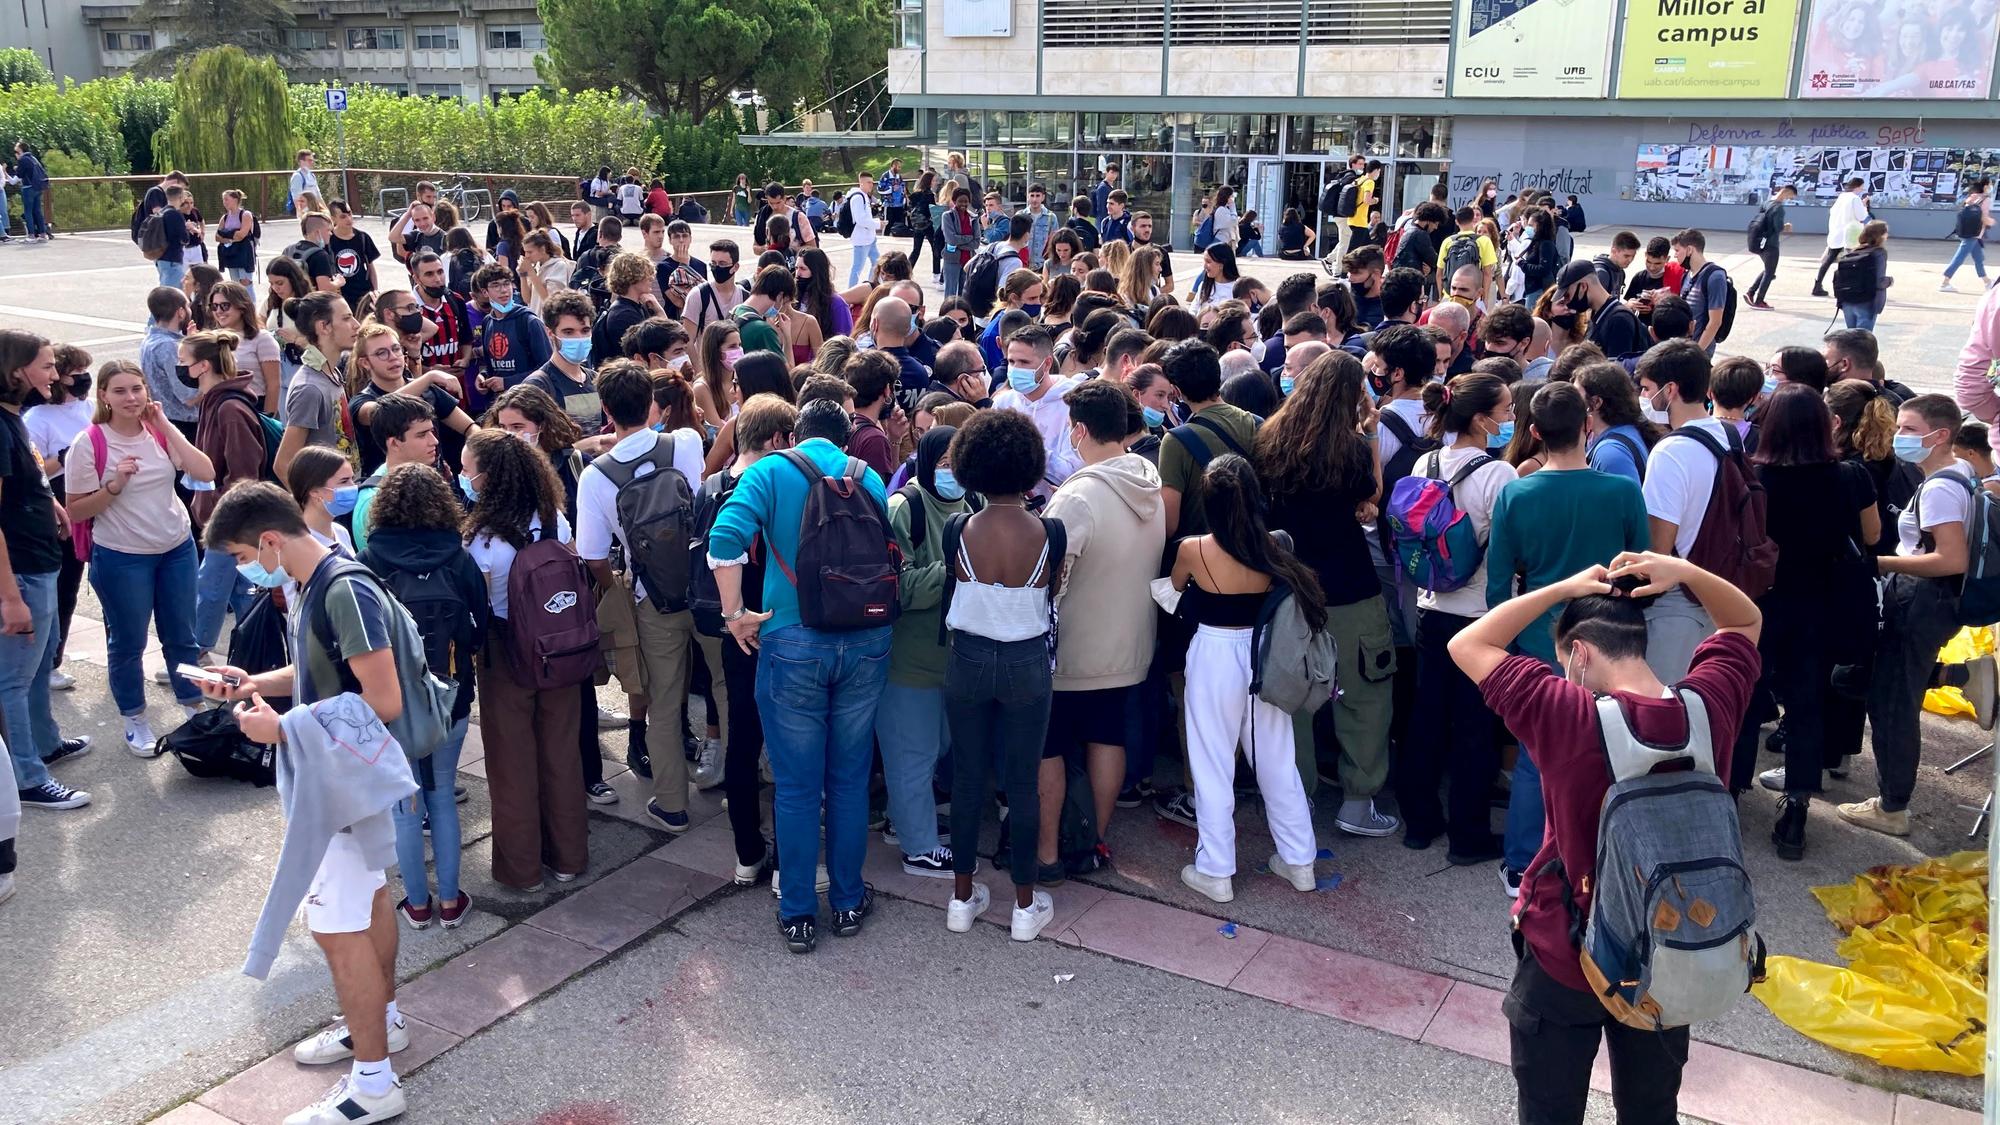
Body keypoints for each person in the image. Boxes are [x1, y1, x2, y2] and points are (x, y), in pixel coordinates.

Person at [1447, 551, 1760, 1125]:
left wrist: (1557, 587)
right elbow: (1744, 623)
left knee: (1549, 1110)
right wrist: (1684, 572)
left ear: (1581, 654)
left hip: (1568, 952)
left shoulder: (1568, 714)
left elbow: (1468, 645)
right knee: (1650, 1109)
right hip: (1669, 947)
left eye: (1567, 660)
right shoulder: (1709, 706)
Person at [197, 481, 416, 1125]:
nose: (244, 569)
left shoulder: (338, 588)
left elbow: (385, 700)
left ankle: (373, 1084)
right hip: (345, 775)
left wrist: (282, 728)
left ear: (268, 540)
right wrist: (253, 682)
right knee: (370, 901)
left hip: (340, 779)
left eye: (241, 555)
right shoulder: (318, 580)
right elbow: (327, 669)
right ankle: (383, 1025)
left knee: (334, 926)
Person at [708, 398, 893, 954]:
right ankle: (848, 900)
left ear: (793, 432)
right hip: (866, 640)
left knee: (795, 786)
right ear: (846, 437)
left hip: (791, 641)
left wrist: (735, 615)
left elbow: (724, 542)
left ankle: (797, 914)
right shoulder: (868, 476)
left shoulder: (768, 471)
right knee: (848, 779)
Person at [1483, 380, 1651, 894]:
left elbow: (1497, 587)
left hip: (1539, 638)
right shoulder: (1621, 491)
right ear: (1587, 425)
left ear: (1533, 432)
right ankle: (1596, 861)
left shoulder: (1516, 492)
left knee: (1538, 755)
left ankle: (1521, 866)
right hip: (1608, 637)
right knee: (1609, 751)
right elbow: (1639, 568)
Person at [926, 408, 1061, 936]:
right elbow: (1052, 592)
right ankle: (1025, 906)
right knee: (1022, 783)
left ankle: (962, 898)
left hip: (969, 658)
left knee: (965, 778)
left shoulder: (959, 527)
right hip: (1027, 662)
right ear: (1030, 467)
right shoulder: (1051, 531)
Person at [1171, 453, 1325, 903]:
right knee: (1277, 760)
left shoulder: (1193, 548)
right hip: (1264, 655)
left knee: (1212, 763)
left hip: (1214, 654)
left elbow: (1176, 589)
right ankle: (1300, 863)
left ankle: (1216, 870)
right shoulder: (1276, 544)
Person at [1736, 384, 1880, 858]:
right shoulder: (1850, 476)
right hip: (1821, 600)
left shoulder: (1755, 473)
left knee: (1745, 698)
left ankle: (1730, 791)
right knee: (1807, 701)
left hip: (1762, 601)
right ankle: (1797, 805)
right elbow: (1872, 533)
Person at [575, 361, 713, 827]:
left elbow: (593, 553)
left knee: (664, 703)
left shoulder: (596, 476)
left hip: (652, 599)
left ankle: (672, 803)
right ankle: (733, 782)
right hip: (708, 586)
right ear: (654, 405)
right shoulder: (688, 443)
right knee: (726, 688)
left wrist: (622, 583)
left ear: (607, 410)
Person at [353, 462, 486, 931]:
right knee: (442, 796)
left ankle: (417, 904)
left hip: (389, 699)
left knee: (404, 804)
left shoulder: (369, 561)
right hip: (449, 694)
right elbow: (480, 629)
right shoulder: (457, 557)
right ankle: (451, 902)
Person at [1393, 370, 1518, 860]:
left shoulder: (1425, 462)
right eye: (1506, 411)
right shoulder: (1498, 475)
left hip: (1431, 608)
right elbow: (1507, 548)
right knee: (1474, 728)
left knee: (1425, 718)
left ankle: (1419, 822)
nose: (1510, 419)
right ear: (1482, 419)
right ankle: (1468, 836)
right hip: (1480, 617)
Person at [1040, 379, 1164, 874]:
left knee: (1048, 747)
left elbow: (1045, 569)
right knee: (1108, 738)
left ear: (1081, 431)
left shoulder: (1080, 496)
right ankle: (1093, 842)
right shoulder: (1146, 478)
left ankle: (1047, 852)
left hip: (1074, 648)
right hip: (1130, 643)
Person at [458, 427, 588, 890]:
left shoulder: (484, 539)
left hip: (504, 647)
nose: (463, 477)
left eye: (468, 470)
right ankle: (569, 857)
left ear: (489, 478)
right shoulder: (553, 517)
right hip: (559, 646)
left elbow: (476, 597)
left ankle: (523, 870)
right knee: (561, 752)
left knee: (512, 763)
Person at [65, 356, 216, 752]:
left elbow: (204, 470)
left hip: (176, 547)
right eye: (120, 391)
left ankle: (192, 704)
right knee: (128, 642)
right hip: (122, 556)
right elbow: (76, 510)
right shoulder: (90, 443)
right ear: (104, 396)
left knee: (182, 637)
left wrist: (164, 424)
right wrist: (113, 486)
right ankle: (134, 717)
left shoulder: (157, 432)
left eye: (137, 388)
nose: (131, 397)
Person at [1840, 394, 1973, 838]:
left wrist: (1883, 564)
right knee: (1888, 682)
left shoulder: (1938, 489)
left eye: (1911, 430)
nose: (1900, 437)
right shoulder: (1962, 474)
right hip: (1931, 601)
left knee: (1894, 702)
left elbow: (1950, 559)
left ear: (1940, 436)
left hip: (1923, 599)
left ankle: (1892, 806)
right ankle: (1960, 675)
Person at [875, 422, 970, 878]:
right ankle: (918, 848)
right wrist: (952, 570)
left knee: (935, 745)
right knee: (910, 752)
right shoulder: (904, 507)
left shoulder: (975, 502)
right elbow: (896, 583)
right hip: (908, 657)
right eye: (945, 463)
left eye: (960, 462)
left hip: (953, 655)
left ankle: (904, 820)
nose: (952, 471)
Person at [0, 332, 90, 811]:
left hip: (41, 562)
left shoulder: (15, 419)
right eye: (47, 366)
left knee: (36, 672)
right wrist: (10, 597)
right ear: (18, 371)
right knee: (13, 679)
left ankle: (45, 745)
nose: (56, 375)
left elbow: (27, 479)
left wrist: (51, 503)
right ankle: (27, 778)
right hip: (21, 573)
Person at [186, 331, 267, 663]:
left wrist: (221, 510)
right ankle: (258, 652)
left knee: (210, 586)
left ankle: (196, 651)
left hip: (230, 519)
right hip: (228, 516)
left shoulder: (229, 407)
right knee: (242, 591)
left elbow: (244, 472)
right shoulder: (217, 400)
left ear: (202, 366)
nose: (181, 368)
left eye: (183, 362)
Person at [991, 324, 1081, 502]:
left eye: (1024, 362)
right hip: (1009, 509)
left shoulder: (1073, 403)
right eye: (1011, 362)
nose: (1015, 369)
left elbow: (1075, 471)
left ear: (1047, 363)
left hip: (1057, 509)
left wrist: (1029, 449)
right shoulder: (1003, 403)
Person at [276, 291, 360, 479]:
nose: (356, 325)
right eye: (347, 318)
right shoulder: (309, 388)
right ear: (324, 326)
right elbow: (283, 464)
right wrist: (311, 506)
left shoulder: (332, 372)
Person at [1814, 174, 1870, 298]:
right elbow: (1861, 216)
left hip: (1836, 233)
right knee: (1851, 262)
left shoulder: (1842, 197)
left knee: (1828, 261)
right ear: (1858, 187)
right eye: (1861, 187)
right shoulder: (1854, 199)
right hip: (1849, 236)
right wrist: (1864, 206)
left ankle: (1817, 284)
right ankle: (1848, 286)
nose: (1862, 190)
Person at [1744, 185, 1795, 310]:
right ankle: (1759, 301)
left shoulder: (1767, 203)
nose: (1788, 199)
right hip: (1771, 244)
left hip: (1760, 241)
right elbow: (1778, 227)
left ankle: (1750, 293)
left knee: (1768, 270)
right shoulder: (1779, 208)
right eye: (1789, 197)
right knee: (1770, 272)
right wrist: (1786, 226)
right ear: (1785, 192)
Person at [1838, 220, 1893, 332]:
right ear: (1881, 235)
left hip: (1847, 299)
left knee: (1851, 337)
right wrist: (1890, 281)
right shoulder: (1879, 253)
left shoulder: (1853, 252)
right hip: (1867, 300)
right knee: (1863, 339)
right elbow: (1879, 281)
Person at [1942, 178, 1994, 293]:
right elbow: (1983, 217)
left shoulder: (1972, 197)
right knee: (1959, 258)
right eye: (1990, 184)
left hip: (1968, 231)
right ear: (1985, 186)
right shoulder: (1985, 199)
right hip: (1974, 233)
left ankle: (1987, 282)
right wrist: (1991, 222)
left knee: (1979, 258)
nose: (1991, 186)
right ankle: (1945, 282)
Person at [1189, 243, 1240, 315]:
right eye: (1204, 261)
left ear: (1221, 265)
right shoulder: (1203, 286)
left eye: (1208, 262)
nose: (1205, 266)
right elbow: (1193, 310)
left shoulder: (1238, 288)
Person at [286, 149, 320, 215]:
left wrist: (326, 211)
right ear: (301, 162)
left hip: (313, 207)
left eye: (312, 160)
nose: (312, 162)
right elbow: (297, 199)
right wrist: (301, 216)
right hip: (304, 210)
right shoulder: (297, 176)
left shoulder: (311, 175)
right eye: (309, 160)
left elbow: (318, 195)